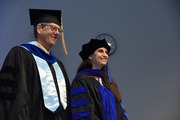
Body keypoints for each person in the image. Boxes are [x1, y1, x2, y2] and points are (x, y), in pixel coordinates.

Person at [0, 9, 71, 120]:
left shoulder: (58, 64)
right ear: (39, 28)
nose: (57, 33)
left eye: (58, 30)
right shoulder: (20, 54)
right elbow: (11, 95)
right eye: (53, 28)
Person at [70, 39, 129, 120]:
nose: (105, 55)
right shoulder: (81, 81)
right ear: (90, 56)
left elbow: (121, 111)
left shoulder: (110, 84)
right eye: (100, 51)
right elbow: (83, 113)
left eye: (106, 52)